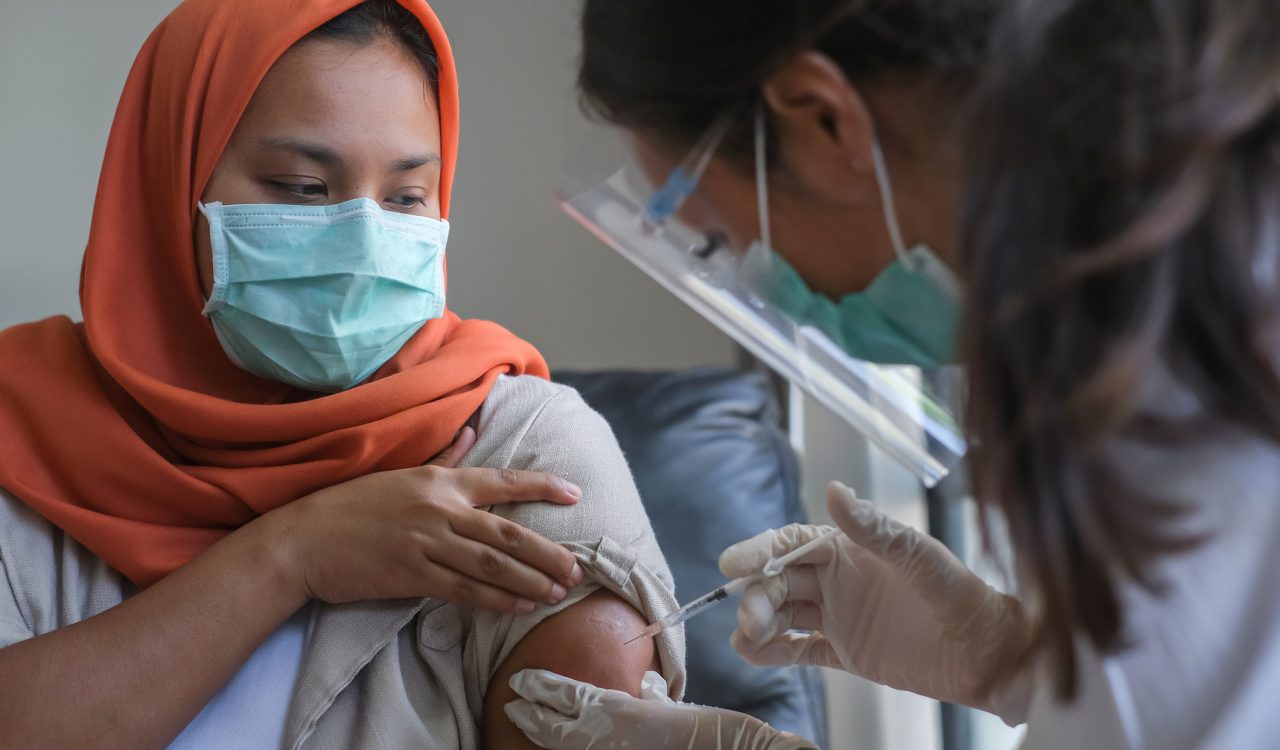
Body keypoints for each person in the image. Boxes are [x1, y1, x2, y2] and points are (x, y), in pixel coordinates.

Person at [504, 0, 1280, 748]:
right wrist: (1020, 663)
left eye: (717, 239)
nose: (763, 286)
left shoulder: (1175, 394)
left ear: (823, 118)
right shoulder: (1170, 269)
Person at [0, 1, 685, 748]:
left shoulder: (529, 449)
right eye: (301, 187)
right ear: (170, 181)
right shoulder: (19, 428)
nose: (364, 241)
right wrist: (289, 556)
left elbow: (587, 711)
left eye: (404, 197)